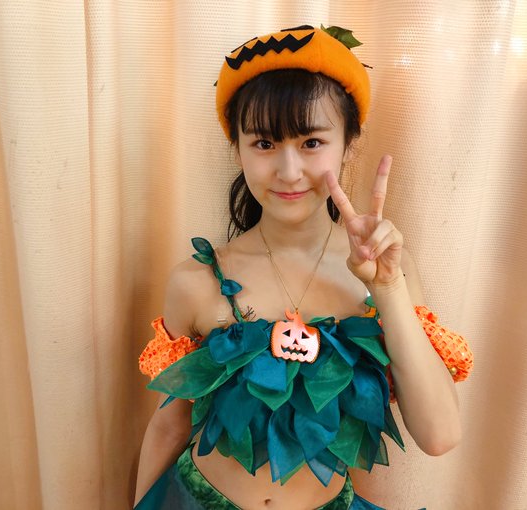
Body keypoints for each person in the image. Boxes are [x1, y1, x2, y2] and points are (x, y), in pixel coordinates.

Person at [133, 25, 471, 510]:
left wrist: (388, 288)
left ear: (348, 144)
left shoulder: (390, 273)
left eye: (312, 142)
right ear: (238, 148)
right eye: (264, 143)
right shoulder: (197, 280)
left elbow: (439, 436)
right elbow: (169, 425)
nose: (289, 172)